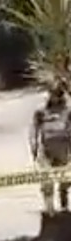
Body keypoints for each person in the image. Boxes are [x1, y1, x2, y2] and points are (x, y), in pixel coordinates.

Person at [31, 85, 71, 213]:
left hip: (64, 149)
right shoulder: (41, 112)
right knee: (47, 180)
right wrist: (34, 146)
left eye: (57, 95)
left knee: (65, 180)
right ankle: (49, 207)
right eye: (52, 95)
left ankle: (64, 202)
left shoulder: (68, 111)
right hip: (46, 150)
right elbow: (34, 130)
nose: (54, 98)